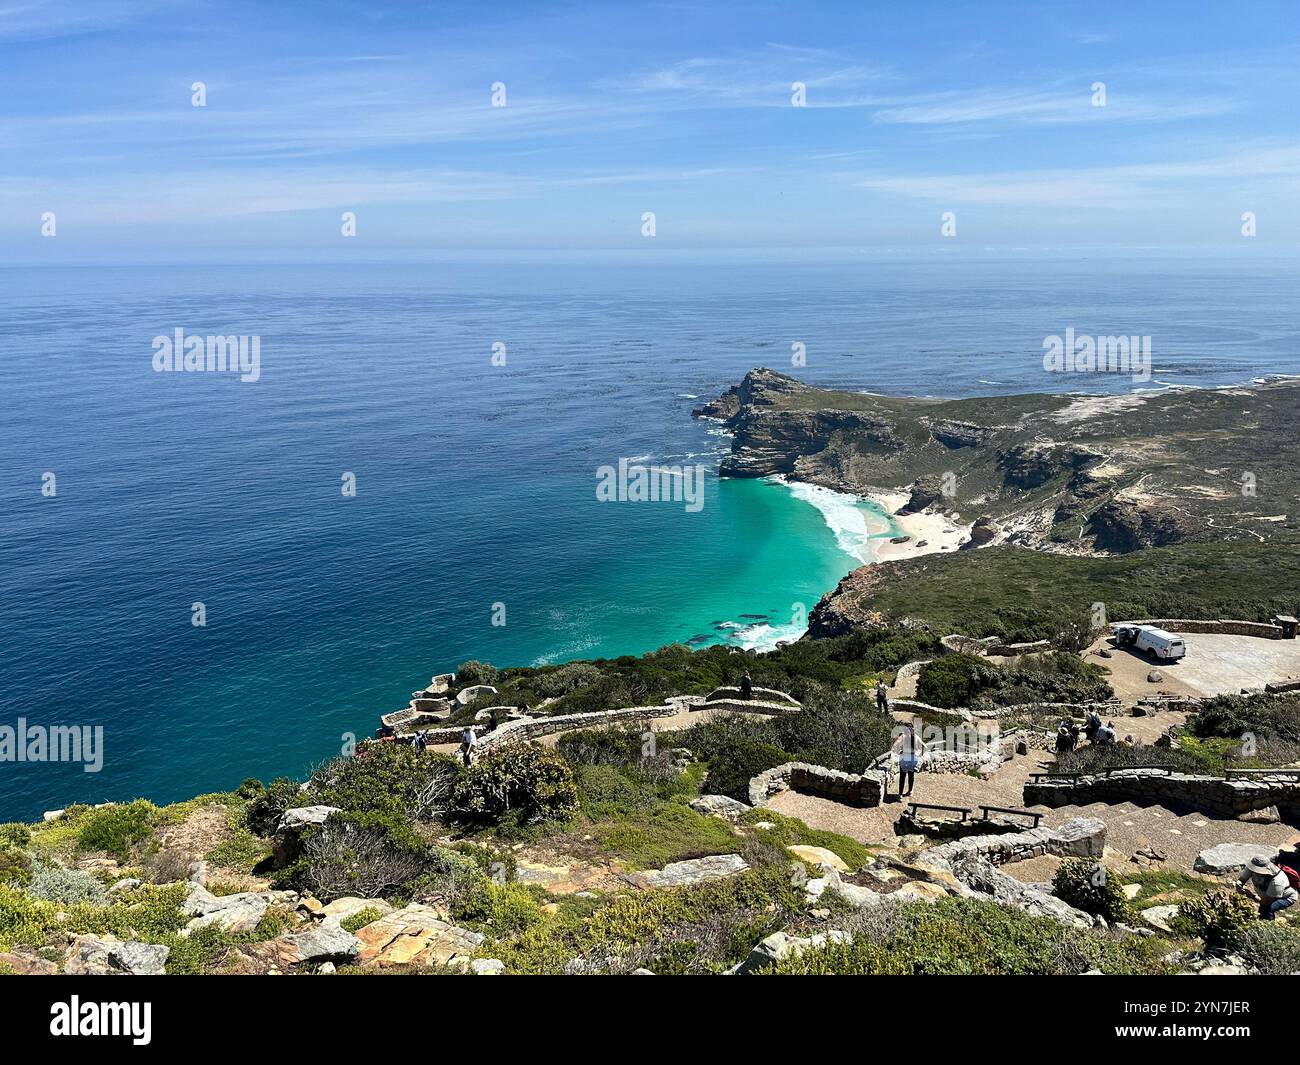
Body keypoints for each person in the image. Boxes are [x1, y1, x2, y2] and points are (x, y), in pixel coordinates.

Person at [1238, 856, 1298, 920]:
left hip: (1286, 897)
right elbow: (1241, 880)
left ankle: (1269, 926)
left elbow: (1266, 901)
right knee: (1261, 912)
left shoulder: (1277, 881)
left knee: (1269, 909)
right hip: (1267, 895)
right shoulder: (1252, 868)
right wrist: (1239, 885)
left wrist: (1252, 895)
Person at [891, 720, 927, 798]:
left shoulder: (903, 736)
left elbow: (894, 746)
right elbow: (925, 746)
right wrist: (919, 755)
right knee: (911, 775)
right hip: (913, 757)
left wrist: (898, 753)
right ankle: (910, 791)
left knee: (902, 776)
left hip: (904, 757)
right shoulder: (916, 736)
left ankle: (900, 794)